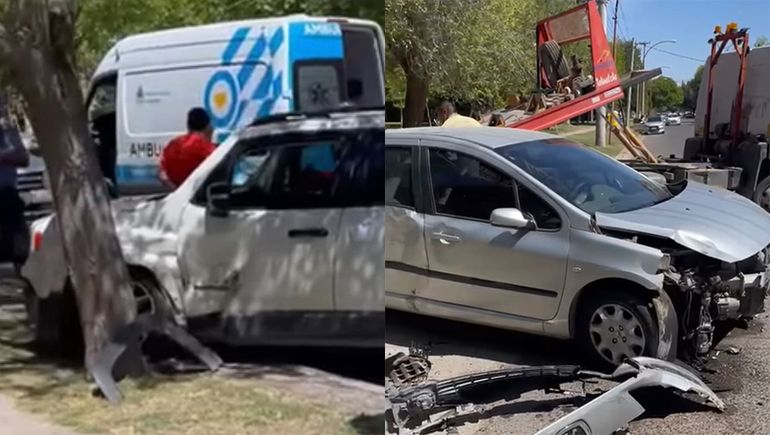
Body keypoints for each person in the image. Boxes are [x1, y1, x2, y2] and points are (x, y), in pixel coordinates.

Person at [0, 104, 30, 268]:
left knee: (16, 248)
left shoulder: (7, 130)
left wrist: (2, 156)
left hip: (6, 194)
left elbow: (23, 158)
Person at [159, 107, 216, 188]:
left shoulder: (173, 144)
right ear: (208, 127)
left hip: (179, 196)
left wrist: (177, 191)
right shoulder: (205, 148)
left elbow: (162, 174)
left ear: (188, 126)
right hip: (198, 196)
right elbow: (218, 168)